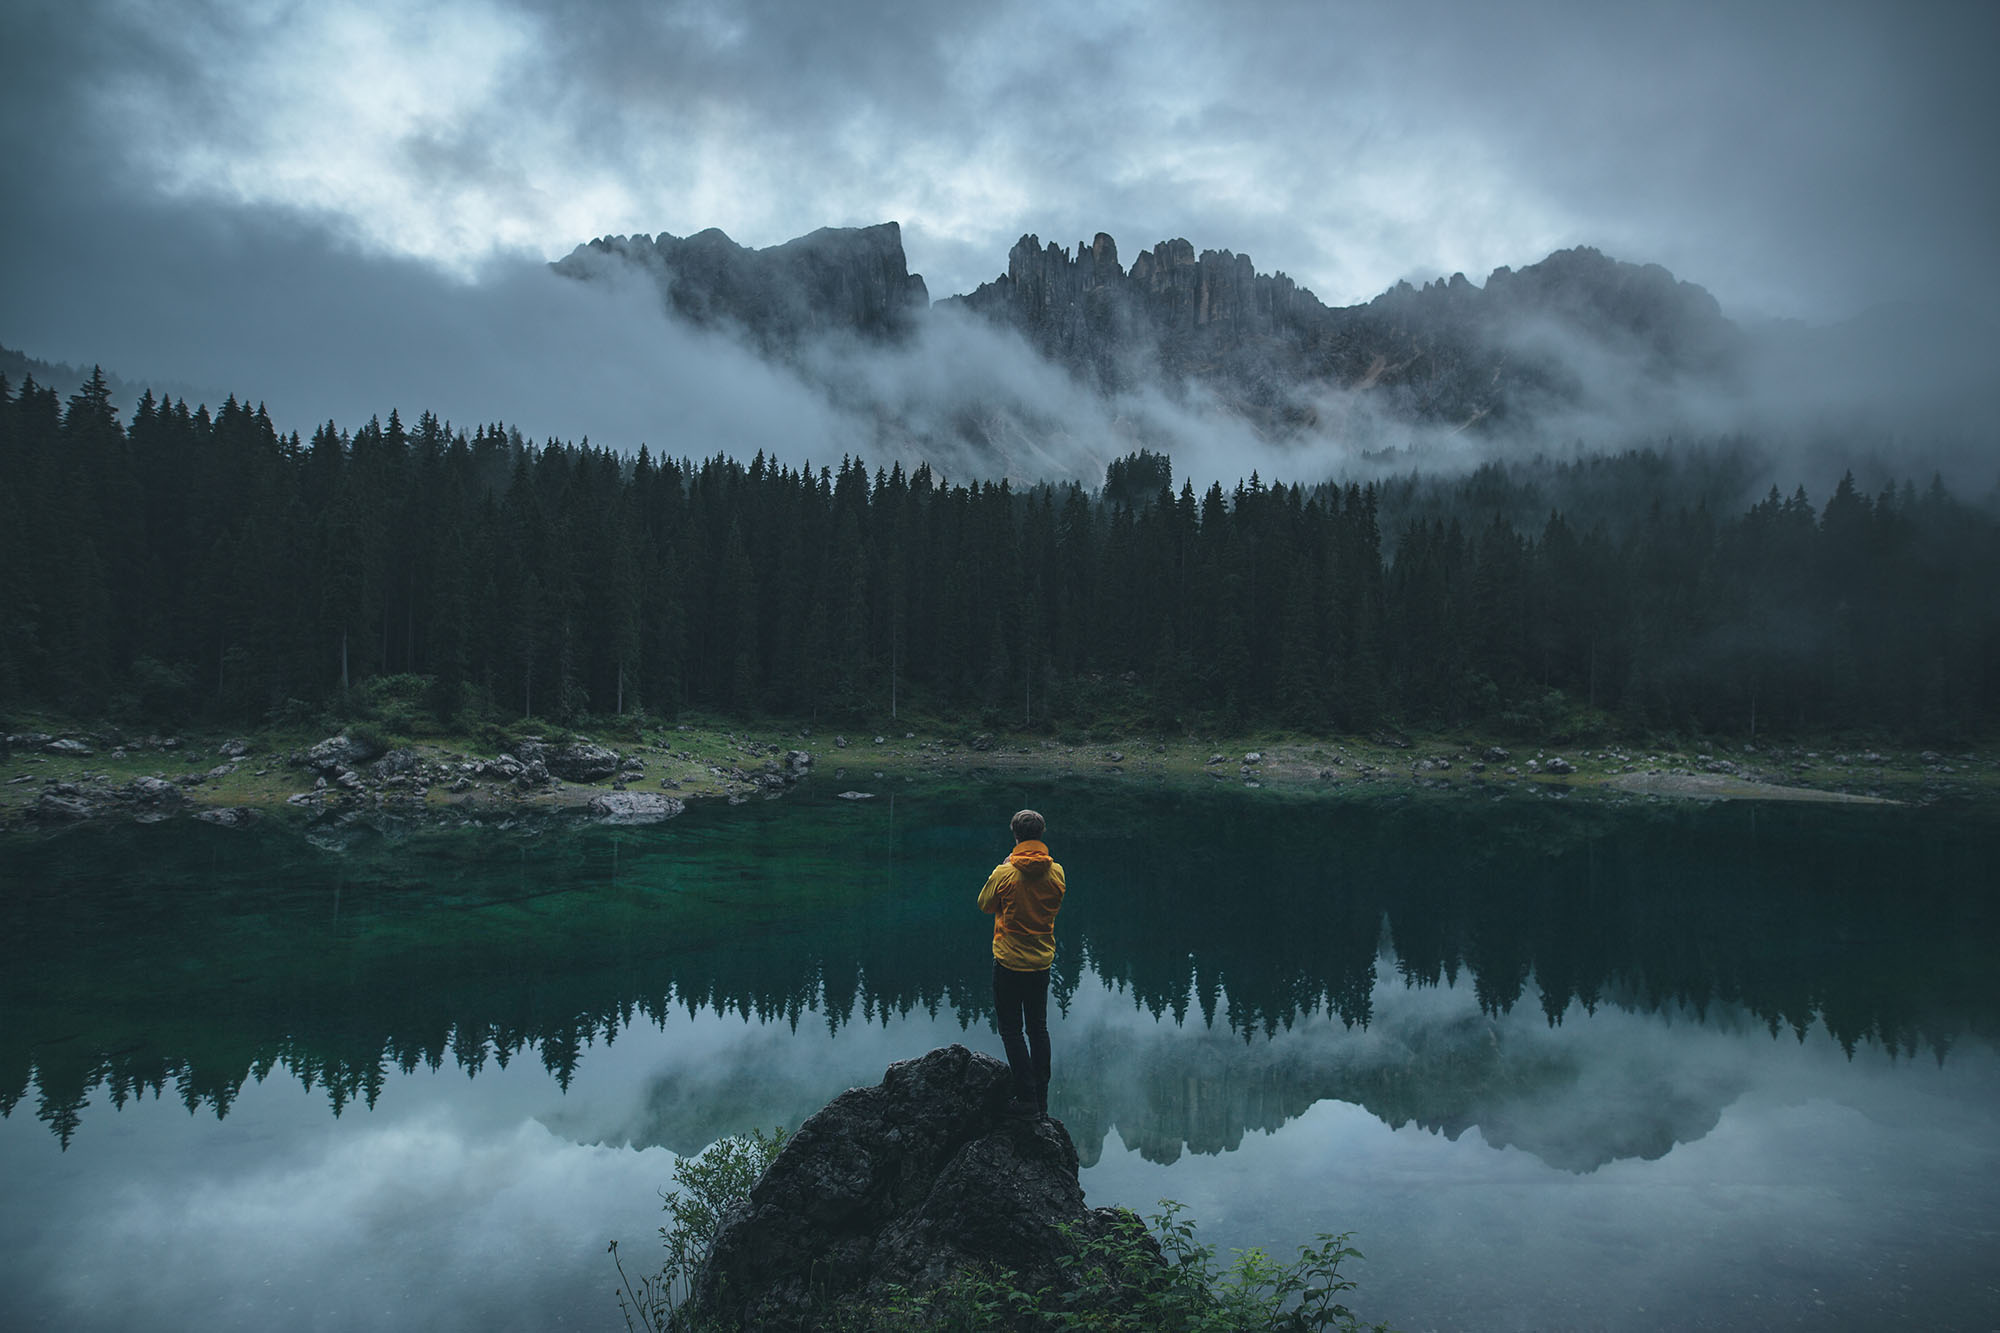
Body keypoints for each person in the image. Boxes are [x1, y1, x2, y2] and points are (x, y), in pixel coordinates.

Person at [977, 808, 1066, 1116]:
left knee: (1012, 1030)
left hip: (1009, 962)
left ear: (1015, 835)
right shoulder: (1057, 872)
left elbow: (985, 905)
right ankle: (1040, 1098)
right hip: (1041, 961)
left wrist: (1000, 869)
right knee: (1038, 1028)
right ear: (1040, 835)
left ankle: (1025, 1097)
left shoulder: (1006, 873)